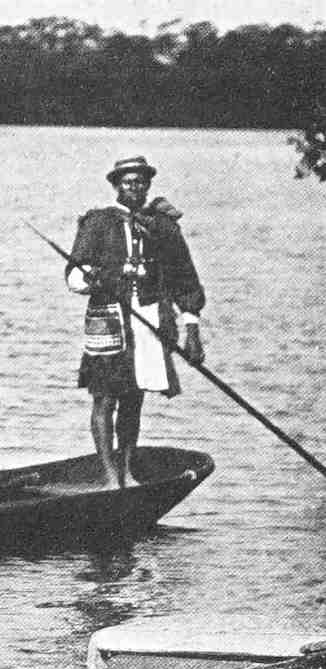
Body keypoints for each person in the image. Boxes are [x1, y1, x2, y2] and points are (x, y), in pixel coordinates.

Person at [65, 155, 206, 488]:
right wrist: (89, 279)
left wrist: (192, 329)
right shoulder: (98, 222)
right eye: (128, 182)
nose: (135, 187)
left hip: (148, 319)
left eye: (141, 182)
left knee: (133, 398)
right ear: (117, 185)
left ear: (148, 185)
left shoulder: (164, 226)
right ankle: (110, 475)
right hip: (108, 318)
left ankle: (126, 470)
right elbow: (73, 272)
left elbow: (185, 278)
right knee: (105, 397)